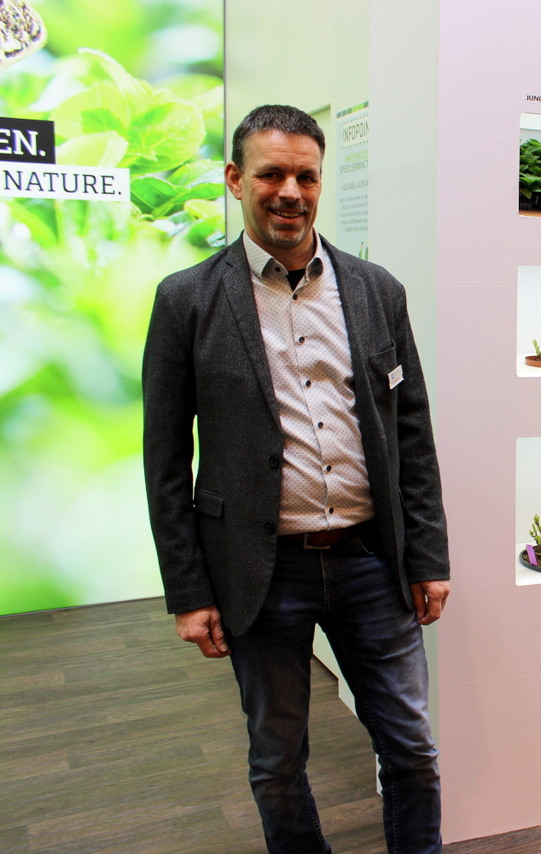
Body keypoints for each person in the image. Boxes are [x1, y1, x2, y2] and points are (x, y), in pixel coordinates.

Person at [142, 104, 450, 854]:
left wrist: (429, 556)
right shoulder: (187, 299)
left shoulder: (376, 290)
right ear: (234, 180)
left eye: (306, 176)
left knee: (412, 751)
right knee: (278, 763)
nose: (290, 191)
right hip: (261, 569)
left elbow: (412, 433)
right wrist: (189, 592)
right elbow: (164, 458)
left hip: (372, 561)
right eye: (271, 174)